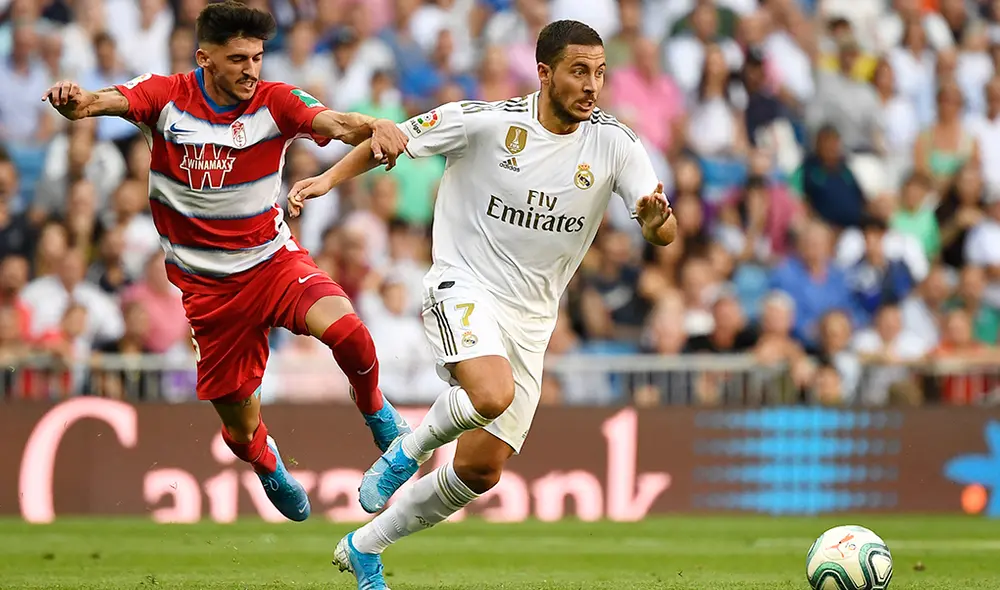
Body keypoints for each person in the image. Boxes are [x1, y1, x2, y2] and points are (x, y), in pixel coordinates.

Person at [287, 19, 676, 589]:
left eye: (599, 72)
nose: (592, 85)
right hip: (462, 283)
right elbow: (390, 138)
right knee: (491, 394)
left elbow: (662, 228)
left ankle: (364, 546)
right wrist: (327, 179)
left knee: (479, 468)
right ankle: (404, 451)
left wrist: (655, 223)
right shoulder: (486, 122)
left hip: (533, 320)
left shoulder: (615, 144)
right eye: (578, 71)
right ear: (544, 73)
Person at [39, 1, 412, 523]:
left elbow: (337, 121)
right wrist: (74, 100)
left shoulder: (275, 101)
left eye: (257, 58)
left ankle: (376, 410)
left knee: (350, 331)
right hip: (210, 291)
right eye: (238, 59)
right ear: (204, 58)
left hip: (271, 262)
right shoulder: (166, 97)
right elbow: (96, 103)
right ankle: (267, 462)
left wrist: (376, 123)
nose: (250, 70)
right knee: (240, 429)